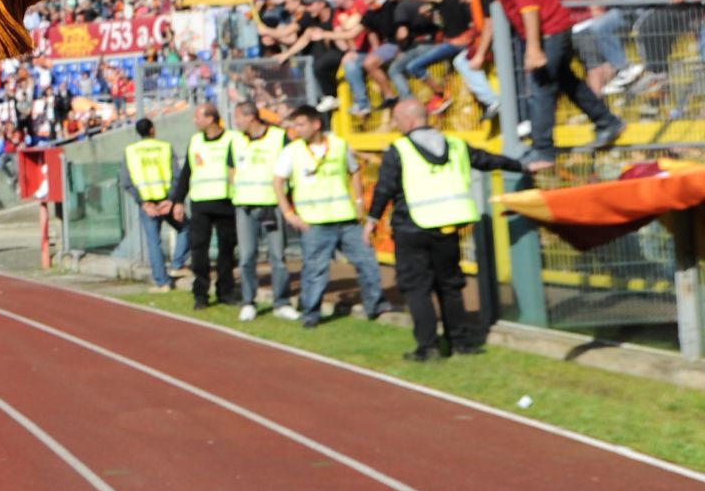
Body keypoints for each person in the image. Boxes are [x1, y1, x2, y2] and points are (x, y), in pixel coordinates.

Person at [366, 99, 545, 361]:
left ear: (408, 121)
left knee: (417, 289)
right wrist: (523, 166)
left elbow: (384, 188)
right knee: (450, 286)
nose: (395, 124)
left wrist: (372, 219)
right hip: (448, 227)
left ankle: (427, 348)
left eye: (396, 119)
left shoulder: (399, 150)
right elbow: (486, 160)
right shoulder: (455, 144)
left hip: (411, 227)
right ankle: (460, 342)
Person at [467, 0, 624, 163]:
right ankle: (607, 122)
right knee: (567, 81)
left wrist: (533, 48)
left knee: (541, 87)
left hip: (549, 31)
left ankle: (543, 150)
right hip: (548, 31)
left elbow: (529, 8)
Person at [273, 106, 385, 328]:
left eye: (301, 124)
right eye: (295, 124)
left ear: (316, 124)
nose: (296, 129)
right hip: (314, 223)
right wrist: (289, 214)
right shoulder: (292, 151)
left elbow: (354, 171)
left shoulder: (339, 145)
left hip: (346, 218)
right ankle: (311, 313)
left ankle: (376, 305)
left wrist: (359, 201)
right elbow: (278, 181)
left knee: (367, 261)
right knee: (315, 270)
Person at [230, 101, 298, 322]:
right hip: (245, 207)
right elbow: (232, 169)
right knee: (247, 257)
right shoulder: (237, 141)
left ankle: (282, 302)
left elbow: (291, 168)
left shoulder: (279, 137)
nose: (235, 122)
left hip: (272, 206)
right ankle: (249, 301)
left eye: (238, 117)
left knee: (277, 256)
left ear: (250, 117)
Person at [170, 102, 238, 310]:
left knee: (227, 250)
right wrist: (179, 201)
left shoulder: (232, 139)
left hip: (226, 202)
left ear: (210, 118)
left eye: (197, 117)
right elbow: (187, 173)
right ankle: (200, 293)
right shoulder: (196, 141)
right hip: (200, 204)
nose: (194, 121)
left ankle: (225, 290)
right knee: (198, 250)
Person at [120, 118, 186, 292]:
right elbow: (177, 176)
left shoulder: (130, 151)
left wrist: (143, 202)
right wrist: (171, 199)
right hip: (166, 201)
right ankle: (177, 265)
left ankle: (162, 282)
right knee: (187, 229)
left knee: (153, 242)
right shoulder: (165, 147)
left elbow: (126, 181)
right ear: (152, 130)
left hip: (148, 205)